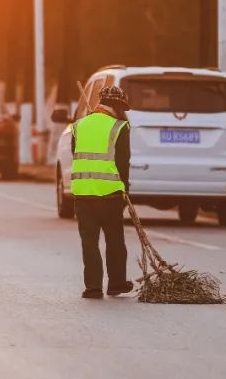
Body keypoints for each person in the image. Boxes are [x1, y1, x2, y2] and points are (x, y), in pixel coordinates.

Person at [71, 85, 134, 299]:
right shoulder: (119, 127)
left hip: (83, 193)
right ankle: (116, 284)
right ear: (116, 106)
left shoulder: (78, 126)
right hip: (110, 194)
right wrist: (125, 190)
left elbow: (76, 155)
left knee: (89, 241)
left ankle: (93, 287)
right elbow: (123, 163)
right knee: (115, 241)